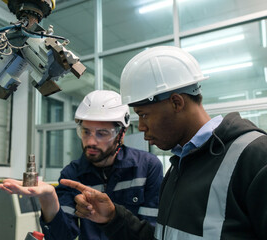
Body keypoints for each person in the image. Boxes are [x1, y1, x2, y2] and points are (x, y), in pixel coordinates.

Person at [60, 46, 267, 240]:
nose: (140, 127)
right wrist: (112, 218)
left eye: (144, 115)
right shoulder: (180, 166)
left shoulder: (256, 156)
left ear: (176, 102)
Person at [0, 90, 163, 240]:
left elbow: (152, 233)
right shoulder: (72, 174)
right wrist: (49, 200)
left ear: (121, 133)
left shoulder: (147, 167)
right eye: (86, 132)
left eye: (102, 133)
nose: (91, 141)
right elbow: (63, 236)